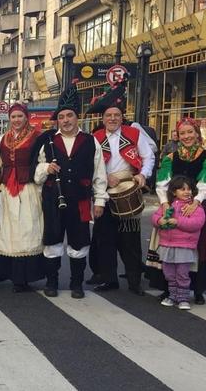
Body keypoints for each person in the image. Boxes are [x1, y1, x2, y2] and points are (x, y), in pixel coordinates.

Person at [34, 82, 108, 299]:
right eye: (62, 116)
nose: (65, 120)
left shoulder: (90, 141)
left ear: (77, 117)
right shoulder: (48, 140)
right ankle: (52, 282)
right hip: (53, 199)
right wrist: (45, 168)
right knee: (52, 241)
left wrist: (101, 201)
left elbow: (99, 172)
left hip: (81, 200)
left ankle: (77, 283)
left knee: (80, 241)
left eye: (69, 115)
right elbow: (36, 169)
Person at [85, 81, 155, 295]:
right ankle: (109, 279)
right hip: (105, 194)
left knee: (131, 242)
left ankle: (134, 281)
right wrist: (105, 178)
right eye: (109, 116)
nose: (113, 119)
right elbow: (89, 165)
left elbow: (148, 156)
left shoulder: (134, 134)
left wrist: (143, 174)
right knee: (105, 240)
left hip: (128, 191)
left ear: (121, 116)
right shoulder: (95, 138)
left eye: (116, 115)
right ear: (103, 118)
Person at [150, 117, 206, 304]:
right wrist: (164, 203)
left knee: (200, 246)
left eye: (190, 132)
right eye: (183, 133)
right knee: (169, 244)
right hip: (173, 206)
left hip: (199, 206)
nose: (186, 136)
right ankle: (168, 287)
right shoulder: (170, 158)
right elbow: (162, 182)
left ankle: (198, 289)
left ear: (197, 134)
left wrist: (197, 201)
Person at [0, 104, 44, 292]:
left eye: (19, 116)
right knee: (10, 228)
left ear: (26, 117)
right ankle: (15, 276)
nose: (16, 120)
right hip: (8, 187)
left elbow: (42, 160)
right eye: (13, 117)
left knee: (28, 227)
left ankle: (28, 275)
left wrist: (41, 174)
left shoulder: (37, 136)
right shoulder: (3, 138)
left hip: (28, 187)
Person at [151, 175, 206, 310]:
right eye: (182, 189)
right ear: (174, 192)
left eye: (189, 189)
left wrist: (178, 222)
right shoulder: (167, 206)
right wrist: (160, 221)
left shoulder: (195, 207)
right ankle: (172, 295)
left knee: (182, 273)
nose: (187, 192)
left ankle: (183, 298)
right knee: (169, 272)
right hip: (167, 245)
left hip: (184, 246)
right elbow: (155, 217)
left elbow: (197, 223)